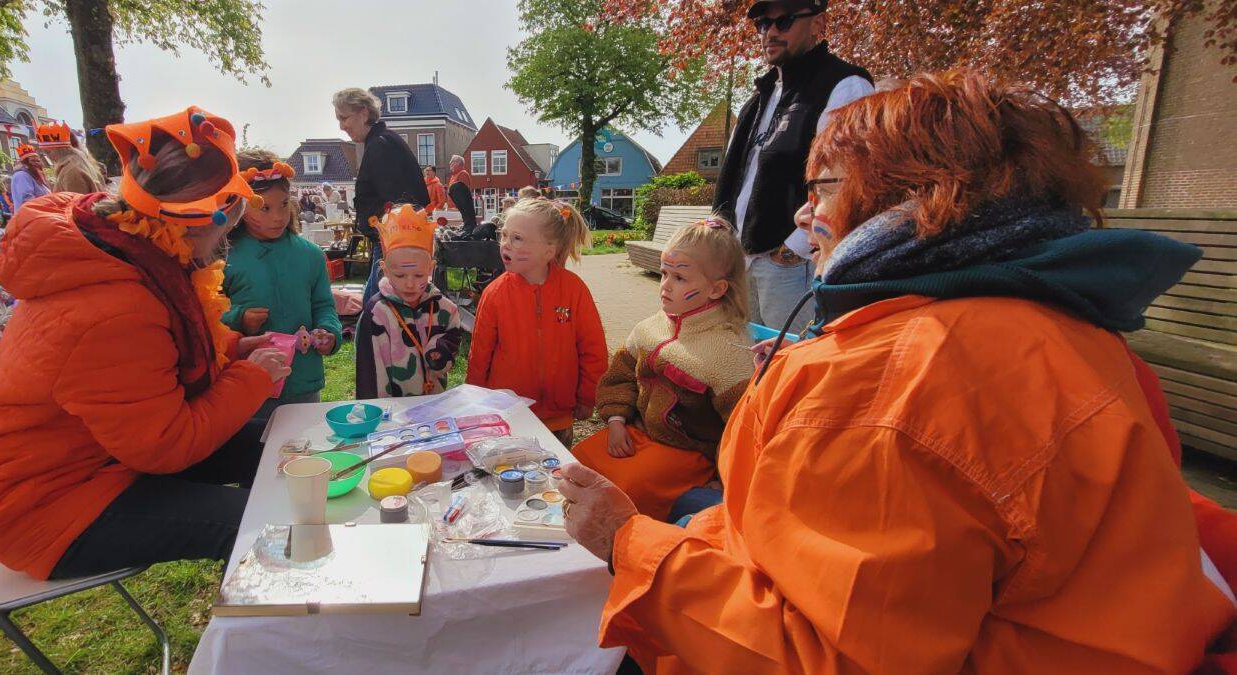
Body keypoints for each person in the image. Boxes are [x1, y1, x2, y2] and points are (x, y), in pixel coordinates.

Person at [559, 72, 1237, 672]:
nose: (802, 215)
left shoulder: (893, 383)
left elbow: (822, 653)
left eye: (821, 188)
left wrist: (629, 541)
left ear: (912, 196)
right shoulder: (1078, 329)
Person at [0, 107, 291, 581]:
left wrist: (234, 351)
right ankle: (280, 632)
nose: (222, 245)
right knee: (257, 521)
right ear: (194, 225)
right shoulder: (119, 309)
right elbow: (167, 445)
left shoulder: (124, 251)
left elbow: (156, 373)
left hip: (102, 460)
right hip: (44, 507)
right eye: (224, 231)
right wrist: (252, 376)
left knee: (278, 446)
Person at [570, 218, 752, 520]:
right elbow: (620, 375)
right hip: (637, 434)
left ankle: (620, 554)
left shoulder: (728, 354)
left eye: (680, 278)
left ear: (717, 289)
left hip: (688, 453)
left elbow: (742, 430)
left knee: (622, 492)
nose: (665, 286)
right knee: (578, 463)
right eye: (664, 273)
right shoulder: (651, 327)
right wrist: (616, 420)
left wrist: (725, 480)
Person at [711, 0, 873, 330]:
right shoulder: (761, 97)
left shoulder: (844, 85)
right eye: (761, 24)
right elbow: (741, 177)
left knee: (794, 364)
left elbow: (849, 181)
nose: (769, 31)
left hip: (792, 266)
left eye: (783, 22)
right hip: (744, 260)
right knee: (753, 366)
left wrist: (791, 252)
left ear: (818, 23)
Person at [467, 198, 607, 446]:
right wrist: (475, 399)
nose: (505, 245)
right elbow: (480, 353)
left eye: (517, 238)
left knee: (553, 477)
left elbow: (592, 348)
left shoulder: (574, 290)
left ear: (548, 251)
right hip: (509, 415)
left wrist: (588, 397)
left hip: (558, 417)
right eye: (504, 235)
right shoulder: (495, 293)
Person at [221, 149, 342, 424]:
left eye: (284, 204)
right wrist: (238, 317)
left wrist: (330, 333)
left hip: (303, 381)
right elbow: (208, 315)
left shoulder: (310, 254)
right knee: (255, 452)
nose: (277, 216)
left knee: (305, 451)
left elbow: (323, 305)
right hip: (250, 383)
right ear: (239, 205)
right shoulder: (224, 258)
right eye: (264, 207)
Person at [355, 204, 466, 399]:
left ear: (431, 268)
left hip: (433, 405)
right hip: (390, 411)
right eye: (399, 275)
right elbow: (367, 371)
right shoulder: (377, 314)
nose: (410, 284)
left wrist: (441, 351)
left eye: (419, 275)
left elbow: (453, 337)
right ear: (385, 269)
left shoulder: (445, 309)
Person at [334, 88, 428, 306]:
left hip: (391, 241)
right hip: (392, 240)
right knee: (378, 307)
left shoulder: (380, 146)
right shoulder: (383, 141)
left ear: (363, 113)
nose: (342, 126)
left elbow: (397, 205)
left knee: (376, 309)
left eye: (344, 117)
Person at [9, 144, 50, 212]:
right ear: (25, 163)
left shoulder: (36, 176)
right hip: (31, 218)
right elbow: (27, 200)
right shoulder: (21, 176)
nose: (37, 163)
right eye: (33, 161)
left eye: (38, 161)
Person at [445, 155, 478, 239]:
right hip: (454, 207)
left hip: (458, 207)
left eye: (452, 161)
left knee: (466, 212)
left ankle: (469, 227)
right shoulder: (454, 176)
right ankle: (466, 226)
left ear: (459, 163)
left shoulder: (462, 174)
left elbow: (465, 198)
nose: (450, 164)